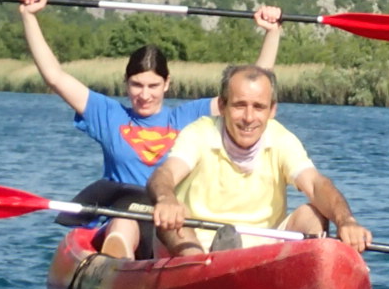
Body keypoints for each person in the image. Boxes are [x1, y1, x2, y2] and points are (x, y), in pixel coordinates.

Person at [18, 0, 282, 258]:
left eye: (153, 85)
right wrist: (29, 16)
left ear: (166, 84)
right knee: (124, 222)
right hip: (122, 217)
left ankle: (201, 261)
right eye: (137, 85)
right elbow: (55, 77)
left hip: (171, 222)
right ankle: (117, 263)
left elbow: (249, 88)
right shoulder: (107, 113)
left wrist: (272, 33)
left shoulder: (190, 117)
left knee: (176, 221)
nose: (144, 95)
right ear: (126, 83)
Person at [149, 63, 371, 256]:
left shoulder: (281, 139)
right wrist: (166, 199)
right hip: (198, 244)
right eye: (239, 105)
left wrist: (346, 221)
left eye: (258, 107)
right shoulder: (200, 133)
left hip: (263, 251)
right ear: (223, 106)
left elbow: (315, 184)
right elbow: (165, 174)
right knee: (172, 211)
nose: (248, 118)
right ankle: (200, 269)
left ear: (272, 110)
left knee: (313, 213)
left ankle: (304, 272)